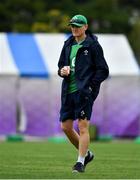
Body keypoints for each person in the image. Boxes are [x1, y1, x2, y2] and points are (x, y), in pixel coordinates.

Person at [58, 14, 109, 173]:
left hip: (84, 93)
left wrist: (90, 87)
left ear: (85, 27)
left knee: (82, 126)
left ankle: (80, 162)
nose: (74, 28)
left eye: (78, 26)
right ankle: (86, 154)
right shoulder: (67, 44)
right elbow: (60, 66)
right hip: (68, 91)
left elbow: (103, 70)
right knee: (65, 127)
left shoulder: (93, 46)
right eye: (73, 26)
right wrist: (62, 71)